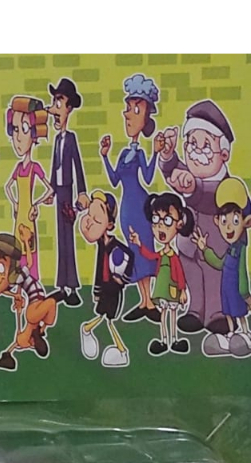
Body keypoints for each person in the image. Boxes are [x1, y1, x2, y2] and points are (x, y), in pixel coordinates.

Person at [159, 99, 236, 336]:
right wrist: (168, 156)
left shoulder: (226, 185)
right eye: (192, 143)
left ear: (224, 153)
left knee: (212, 273)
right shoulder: (190, 173)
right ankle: (195, 310)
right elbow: (173, 172)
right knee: (191, 270)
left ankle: (215, 313)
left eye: (205, 145)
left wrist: (193, 188)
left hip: (214, 241)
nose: (197, 151)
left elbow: (208, 195)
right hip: (188, 239)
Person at [102, 74, 164, 322]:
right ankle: (143, 301)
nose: (128, 114)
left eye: (135, 109)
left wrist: (155, 153)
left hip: (141, 206)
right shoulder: (124, 153)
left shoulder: (138, 154)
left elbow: (147, 177)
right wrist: (104, 156)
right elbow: (114, 179)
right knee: (134, 252)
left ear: (146, 119)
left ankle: (151, 301)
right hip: (127, 208)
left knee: (145, 248)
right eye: (128, 108)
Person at [128, 192, 195, 356]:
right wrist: (139, 243)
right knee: (164, 314)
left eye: (167, 221)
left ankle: (174, 339)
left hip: (172, 290)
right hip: (161, 290)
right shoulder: (162, 254)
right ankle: (164, 340)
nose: (160, 227)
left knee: (172, 314)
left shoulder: (173, 257)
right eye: (156, 219)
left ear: (179, 224)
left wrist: (182, 291)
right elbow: (150, 255)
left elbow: (179, 274)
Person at [193, 175, 251, 357]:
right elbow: (219, 263)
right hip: (226, 289)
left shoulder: (240, 247)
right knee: (228, 312)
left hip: (236, 289)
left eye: (235, 221)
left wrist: (245, 294)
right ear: (217, 221)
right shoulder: (229, 249)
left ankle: (245, 333)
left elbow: (242, 273)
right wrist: (205, 249)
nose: (229, 228)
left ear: (246, 222)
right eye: (224, 221)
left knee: (239, 312)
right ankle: (231, 334)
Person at [0, 232, 58, 370]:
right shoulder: (16, 280)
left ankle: (59, 297)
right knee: (34, 319)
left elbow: (29, 263)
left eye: (0, 267)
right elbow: (2, 289)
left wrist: (26, 242)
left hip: (35, 301)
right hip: (35, 301)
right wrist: (15, 296)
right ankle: (58, 298)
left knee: (39, 312)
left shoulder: (17, 278)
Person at [78, 190, 134, 367]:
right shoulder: (101, 246)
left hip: (114, 288)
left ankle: (89, 331)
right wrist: (97, 290)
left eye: (97, 219)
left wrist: (123, 280)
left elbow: (130, 256)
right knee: (107, 318)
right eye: (90, 216)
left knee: (108, 318)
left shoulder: (116, 247)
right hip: (106, 287)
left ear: (109, 225)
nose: (89, 222)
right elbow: (98, 269)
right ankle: (119, 349)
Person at [47, 78, 89, 305]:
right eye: (54, 102)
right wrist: (50, 190)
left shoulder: (71, 138)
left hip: (69, 194)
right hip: (59, 193)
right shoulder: (56, 140)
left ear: (69, 108)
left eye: (59, 103)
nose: (55, 109)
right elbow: (54, 168)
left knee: (68, 239)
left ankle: (72, 287)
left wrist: (82, 191)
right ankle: (62, 286)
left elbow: (78, 166)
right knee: (60, 238)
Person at [4, 96, 52, 281]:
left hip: (29, 214)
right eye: (15, 129)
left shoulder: (34, 167)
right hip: (19, 213)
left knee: (29, 246)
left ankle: (32, 279)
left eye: (24, 129)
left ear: (34, 134)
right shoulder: (18, 168)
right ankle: (18, 280)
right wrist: (14, 202)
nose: (18, 137)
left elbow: (49, 189)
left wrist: (36, 204)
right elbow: (8, 187)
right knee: (18, 247)